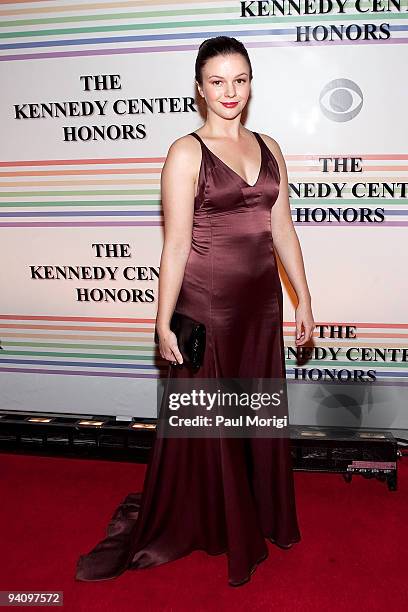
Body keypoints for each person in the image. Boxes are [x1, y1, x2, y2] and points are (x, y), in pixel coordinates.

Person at [75, 35, 315, 587]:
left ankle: (252, 510)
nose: (230, 92)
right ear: (200, 88)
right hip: (208, 307)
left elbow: (282, 229)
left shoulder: (270, 146)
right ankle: (210, 518)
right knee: (206, 423)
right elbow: (176, 243)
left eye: (240, 80)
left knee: (252, 413)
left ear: (251, 83)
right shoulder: (186, 152)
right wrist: (162, 321)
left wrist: (304, 297)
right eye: (217, 81)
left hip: (260, 308)